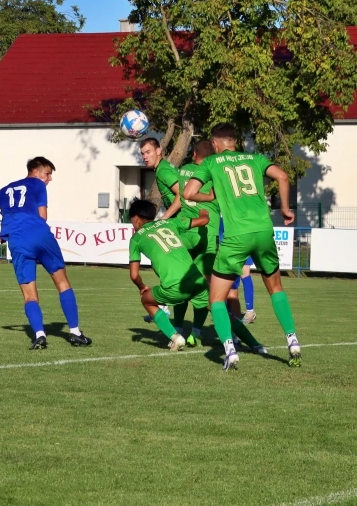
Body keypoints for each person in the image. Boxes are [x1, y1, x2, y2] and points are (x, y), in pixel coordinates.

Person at [183, 123, 301, 367]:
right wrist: (286, 209)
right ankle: (292, 340)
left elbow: (189, 193)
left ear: (215, 144)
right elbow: (283, 176)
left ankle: (230, 350)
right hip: (264, 231)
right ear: (234, 141)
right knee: (276, 288)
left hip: (236, 235)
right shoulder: (256, 158)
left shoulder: (211, 163)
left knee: (216, 299)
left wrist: (211, 196)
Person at [0, 157, 92, 350]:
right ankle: (75, 332)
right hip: (39, 234)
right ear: (35, 172)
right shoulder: (37, 184)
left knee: (29, 295)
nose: (49, 179)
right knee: (62, 283)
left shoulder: (6, 189)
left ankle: (39, 335)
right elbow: (43, 217)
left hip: (17, 241)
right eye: (48, 174)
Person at [127, 200, 265, 361]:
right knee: (221, 312)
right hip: (197, 281)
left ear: (136, 218)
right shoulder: (169, 223)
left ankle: (175, 337)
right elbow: (204, 220)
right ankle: (256, 345)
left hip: (174, 287)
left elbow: (134, 275)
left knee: (146, 300)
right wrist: (204, 211)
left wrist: (142, 287)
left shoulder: (136, 239)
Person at [139, 136, 209, 344]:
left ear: (159, 151)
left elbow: (182, 196)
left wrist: (163, 219)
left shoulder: (164, 171)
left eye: (148, 152)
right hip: (192, 228)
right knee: (192, 282)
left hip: (188, 229)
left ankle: (163, 306)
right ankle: (190, 330)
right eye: (142, 153)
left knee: (161, 253)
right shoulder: (164, 169)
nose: (145, 156)